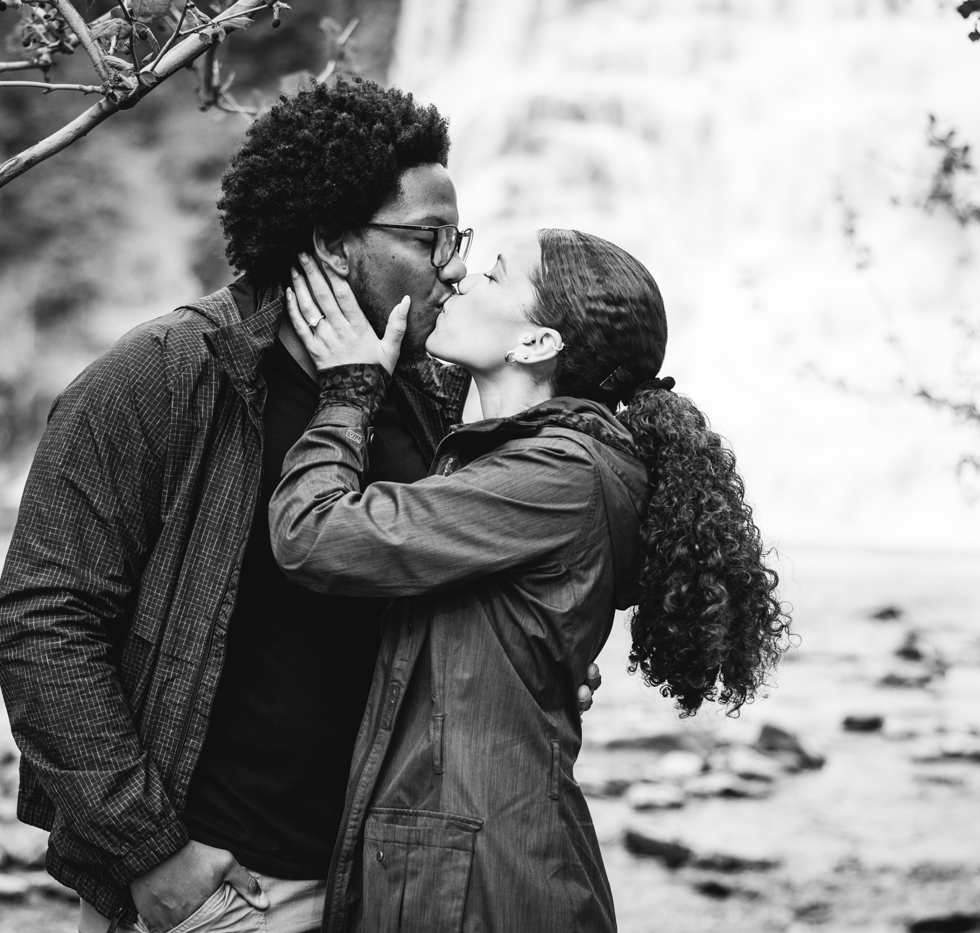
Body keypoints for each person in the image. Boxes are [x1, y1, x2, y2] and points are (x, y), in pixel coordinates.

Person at [0, 79, 600, 933]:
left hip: (385, 881)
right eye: (429, 239)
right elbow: (42, 622)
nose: (455, 265)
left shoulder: (434, 392)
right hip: (225, 888)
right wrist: (149, 853)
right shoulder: (159, 378)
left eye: (458, 240)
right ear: (329, 241)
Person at [268, 229, 792, 933]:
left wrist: (349, 391)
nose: (459, 280)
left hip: (479, 886)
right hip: (471, 865)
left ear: (538, 344)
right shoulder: (535, 462)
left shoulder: (554, 476)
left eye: (494, 275)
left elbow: (312, 534)